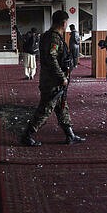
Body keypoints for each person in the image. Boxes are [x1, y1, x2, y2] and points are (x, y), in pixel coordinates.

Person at [20, 11, 86, 146]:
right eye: (66, 22)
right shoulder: (54, 38)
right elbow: (51, 59)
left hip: (52, 79)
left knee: (62, 107)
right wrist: (62, 77)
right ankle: (27, 135)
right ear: (63, 22)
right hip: (53, 81)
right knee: (46, 108)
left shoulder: (48, 35)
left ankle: (70, 135)